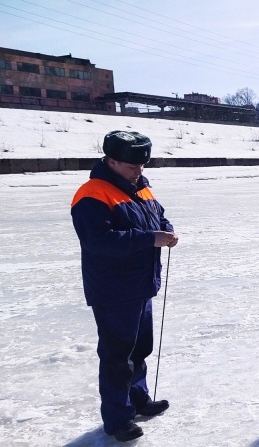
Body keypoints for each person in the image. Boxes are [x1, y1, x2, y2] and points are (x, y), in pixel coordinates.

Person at [71, 130, 178, 442]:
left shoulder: (140, 186)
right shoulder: (92, 194)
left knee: (140, 349)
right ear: (112, 161)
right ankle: (118, 419)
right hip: (113, 290)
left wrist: (166, 231)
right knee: (118, 356)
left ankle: (138, 400)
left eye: (143, 165)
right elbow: (98, 241)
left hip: (141, 285)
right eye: (133, 166)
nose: (140, 171)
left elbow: (158, 217)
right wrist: (151, 239)